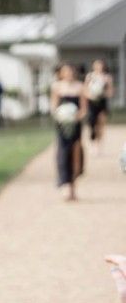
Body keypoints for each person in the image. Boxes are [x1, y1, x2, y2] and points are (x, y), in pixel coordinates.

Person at [50, 62, 88, 202]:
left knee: (76, 155)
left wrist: (76, 116)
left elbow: (84, 109)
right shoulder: (56, 87)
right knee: (63, 153)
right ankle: (65, 184)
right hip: (62, 125)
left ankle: (73, 187)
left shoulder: (80, 87)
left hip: (76, 125)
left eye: (71, 71)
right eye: (65, 71)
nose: (69, 74)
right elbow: (53, 107)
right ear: (61, 73)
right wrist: (61, 116)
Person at [84, 59, 114, 152]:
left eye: (100, 65)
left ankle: (99, 145)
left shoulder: (107, 77)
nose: (99, 67)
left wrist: (102, 93)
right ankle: (93, 138)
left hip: (102, 103)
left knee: (101, 124)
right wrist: (91, 95)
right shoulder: (89, 76)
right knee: (92, 122)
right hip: (92, 103)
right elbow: (85, 90)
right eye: (97, 65)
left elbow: (110, 92)